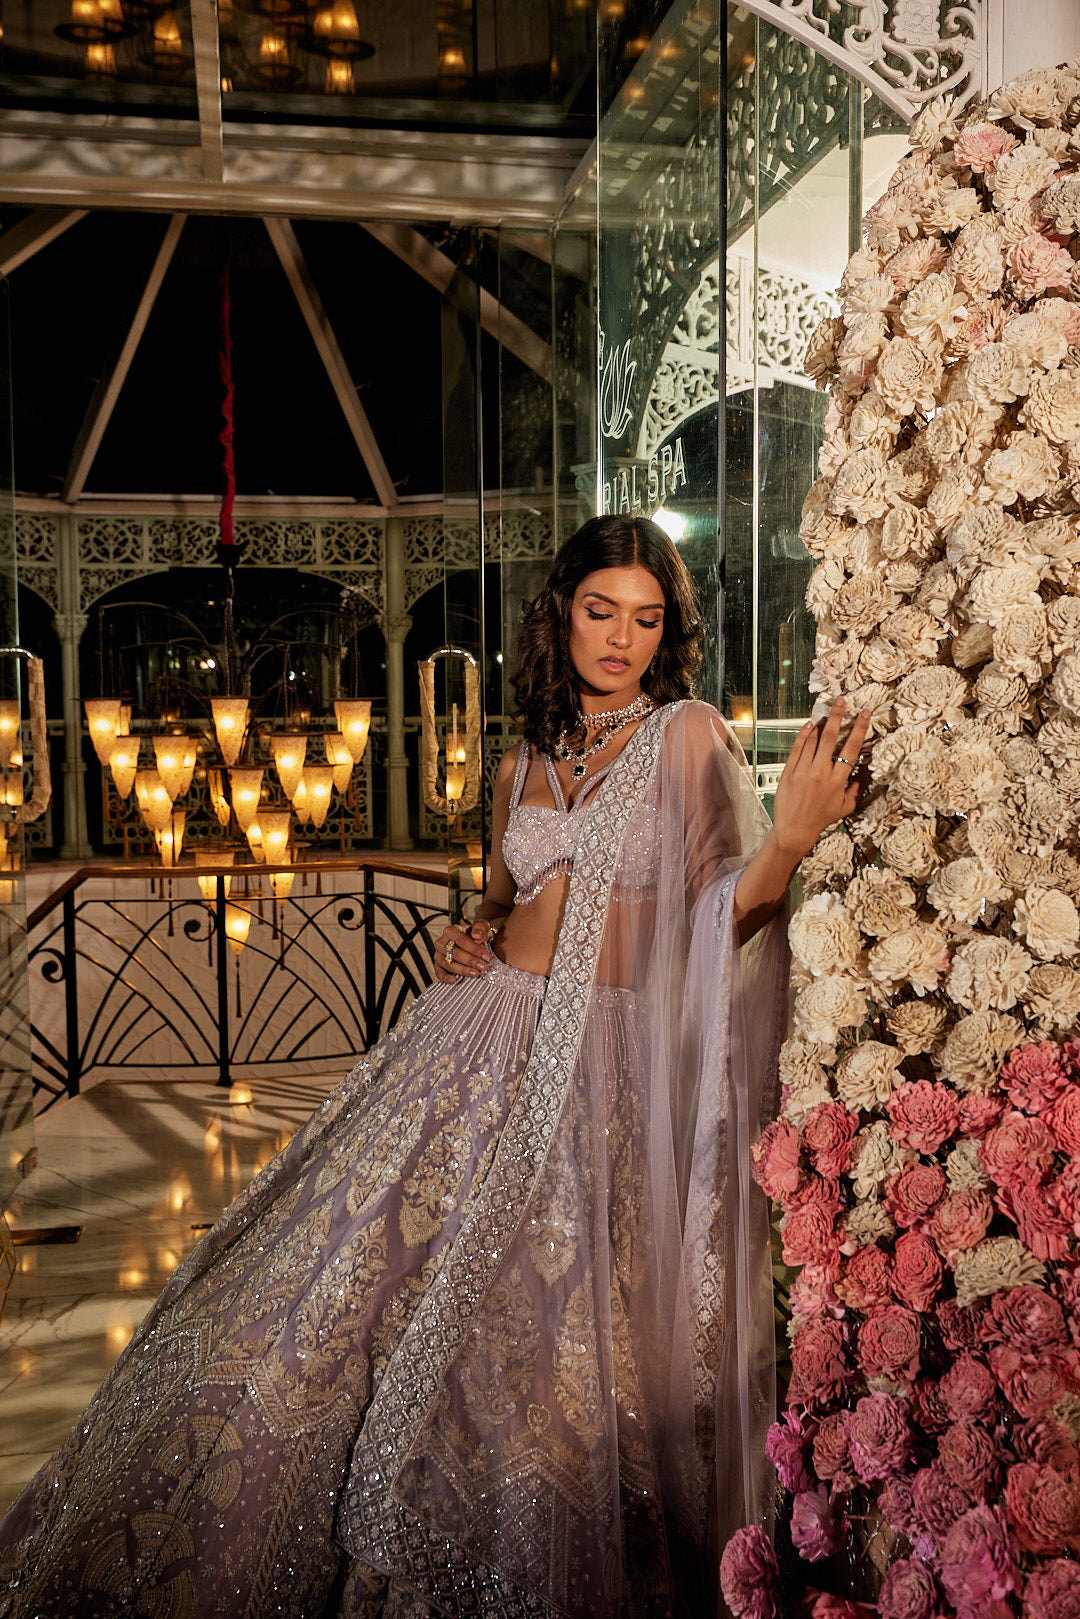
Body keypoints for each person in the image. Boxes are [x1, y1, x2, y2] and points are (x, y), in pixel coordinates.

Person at [0, 516, 867, 1618]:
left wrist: (787, 842)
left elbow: (720, 914)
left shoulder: (687, 735)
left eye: (646, 619)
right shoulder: (522, 758)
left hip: (596, 1070)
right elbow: (505, 900)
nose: (622, 637)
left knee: (530, 1364)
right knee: (316, 1295)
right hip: (467, 1039)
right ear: (559, 614)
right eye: (601, 610)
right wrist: (472, 928)